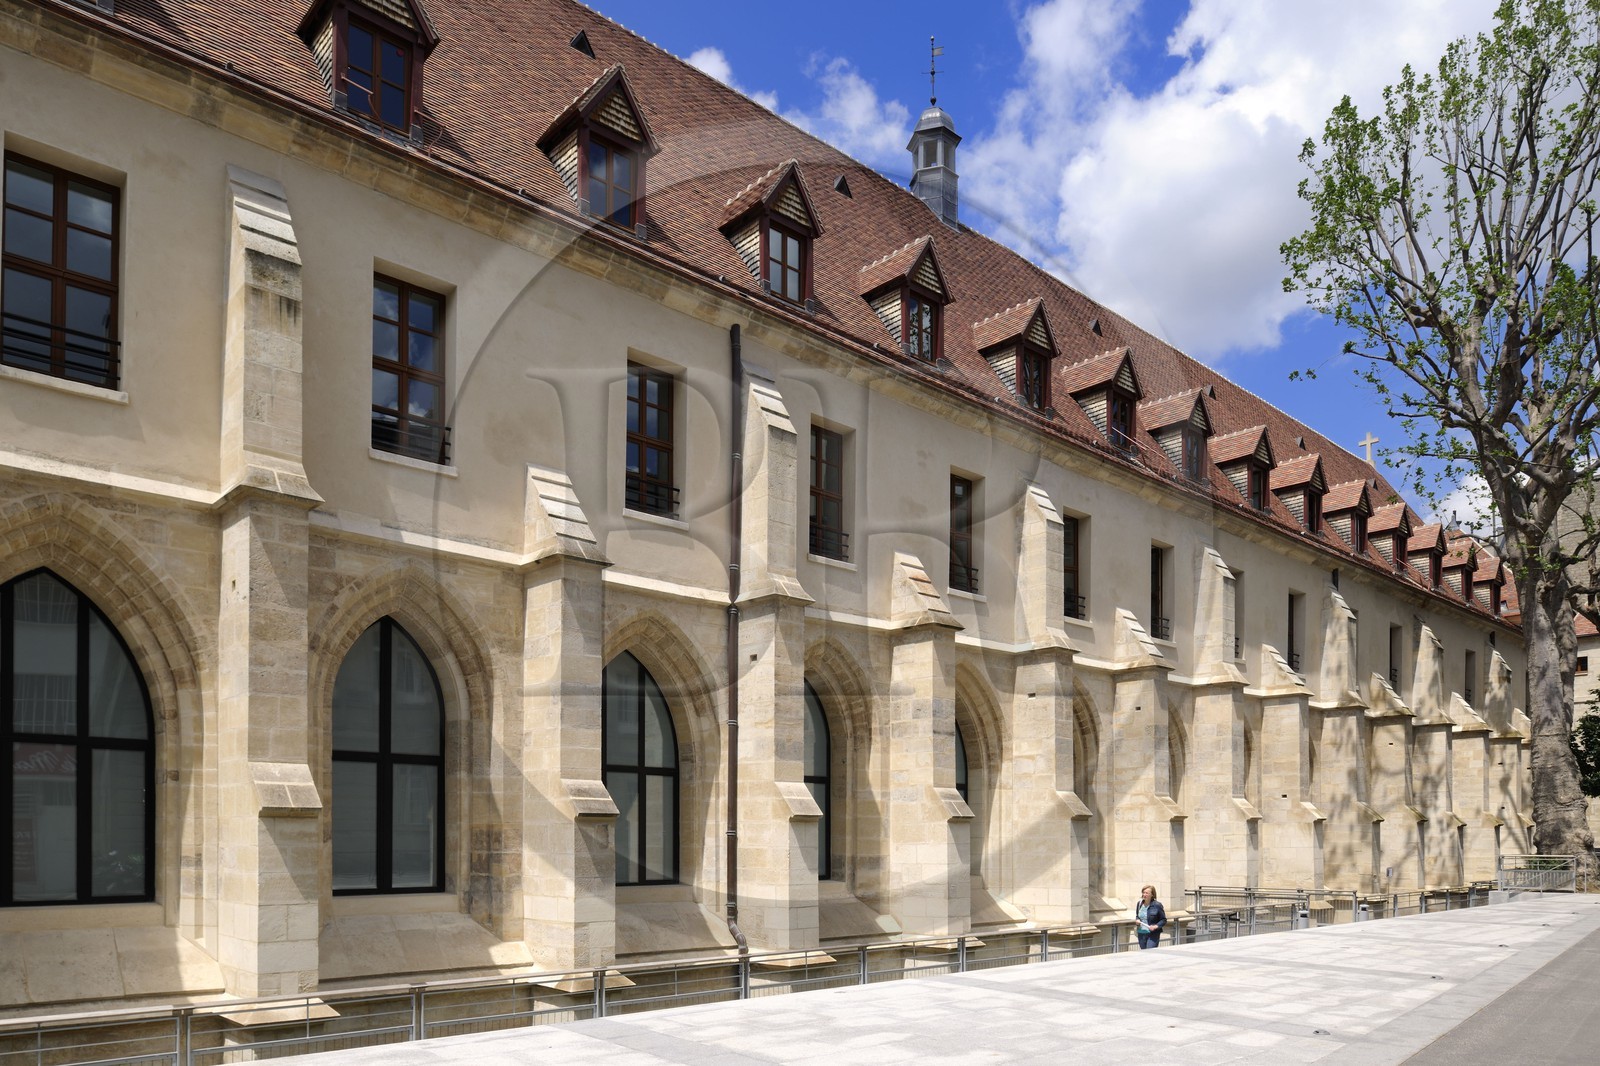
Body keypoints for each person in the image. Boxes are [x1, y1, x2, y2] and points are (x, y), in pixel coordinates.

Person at [1135, 884, 1166, 949]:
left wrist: (1155, 926)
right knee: (1144, 953)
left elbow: (1163, 920)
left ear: (1152, 895)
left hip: (1153, 934)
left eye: (1147, 893)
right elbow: (1137, 916)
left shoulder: (1157, 905)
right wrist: (1137, 920)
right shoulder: (1139, 904)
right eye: (1143, 892)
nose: (1144, 895)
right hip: (1141, 933)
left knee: (1150, 952)